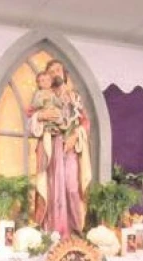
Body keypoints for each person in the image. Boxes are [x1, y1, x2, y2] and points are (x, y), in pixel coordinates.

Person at [29, 59, 92, 239]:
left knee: (72, 187)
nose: (55, 73)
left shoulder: (74, 97)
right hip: (51, 145)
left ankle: (74, 232)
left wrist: (75, 136)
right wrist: (41, 115)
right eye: (51, 71)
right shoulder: (43, 96)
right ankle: (52, 233)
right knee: (52, 187)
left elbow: (85, 122)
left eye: (58, 70)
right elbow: (30, 118)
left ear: (64, 74)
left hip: (70, 147)